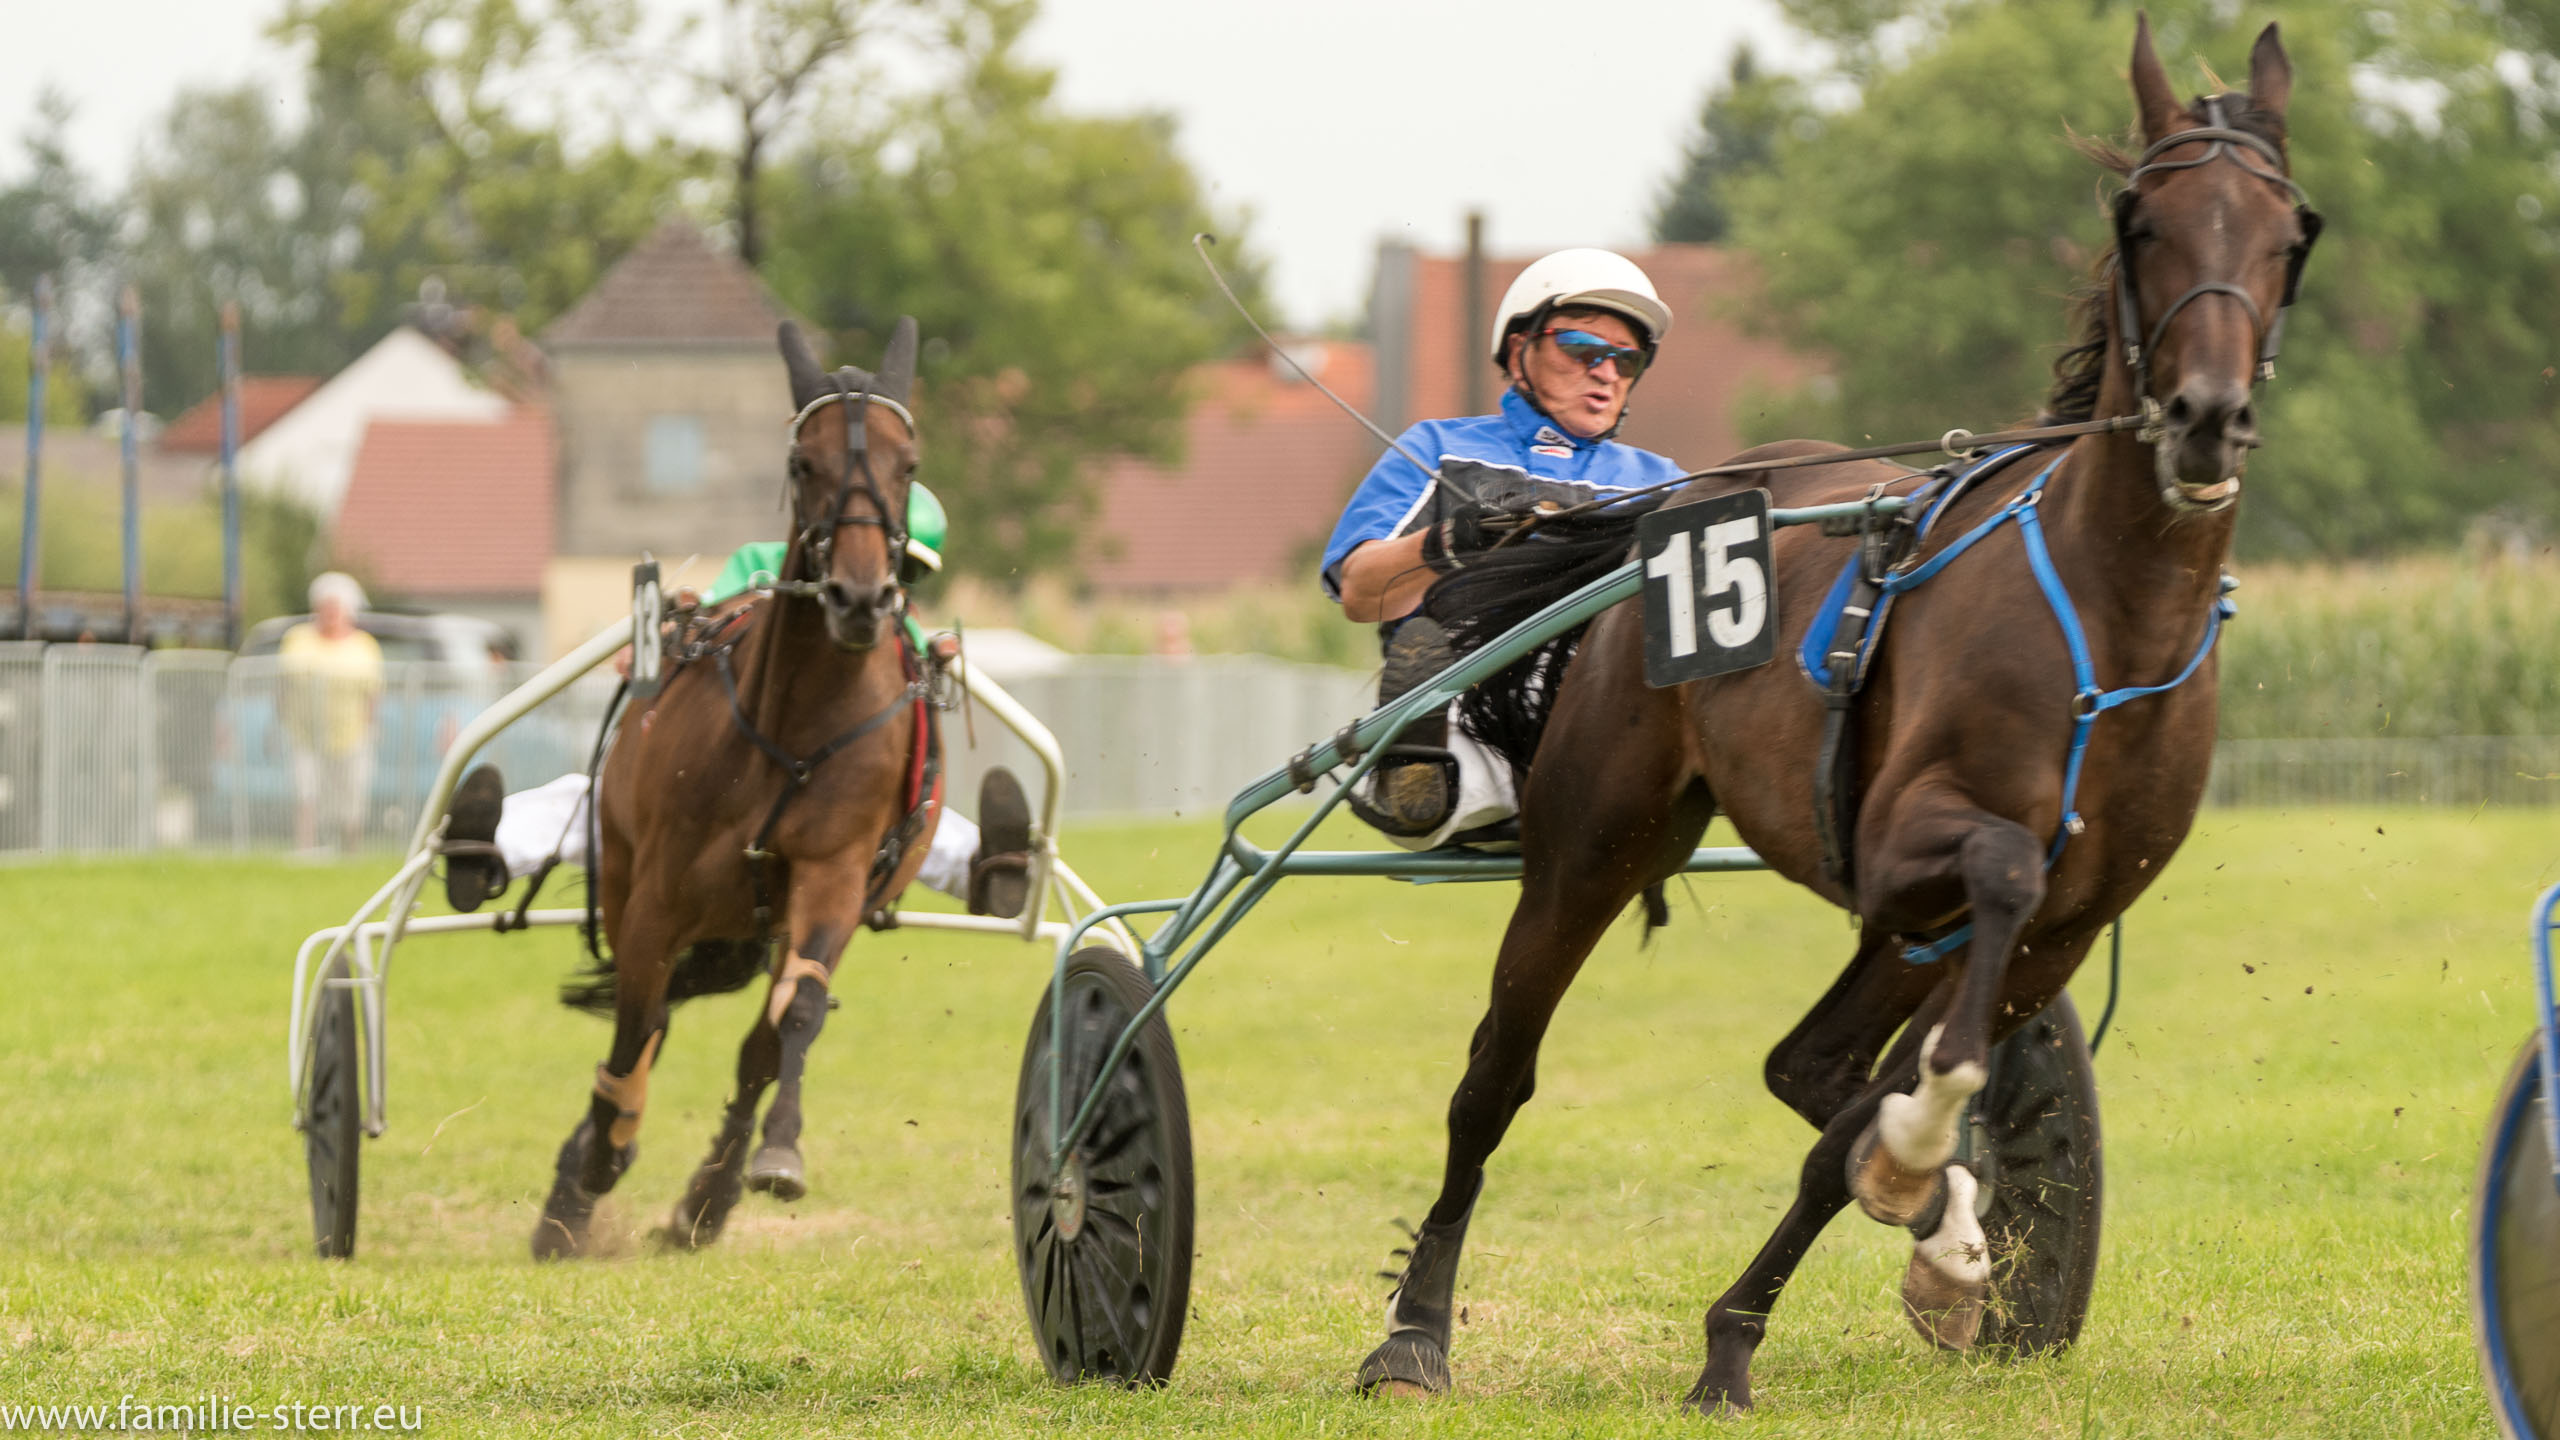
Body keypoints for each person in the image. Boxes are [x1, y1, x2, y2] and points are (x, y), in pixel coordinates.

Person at [439, 481, 1036, 919]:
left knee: (904, 819)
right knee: (606, 803)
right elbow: (708, 625)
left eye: (908, 573)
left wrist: (931, 654)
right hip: (723, 778)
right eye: (892, 563)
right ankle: (486, 849)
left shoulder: (894, 625)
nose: (886, 582)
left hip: (806, 800)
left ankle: (987, 868)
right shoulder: (761, 569)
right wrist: (662, 640)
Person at [1319, 249, 1685, 849]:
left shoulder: (1665, 483)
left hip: (1610, 706)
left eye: (1627, 359)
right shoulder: (1435, 450)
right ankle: (1425, 771)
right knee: (1467, 723)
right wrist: (1449, 542)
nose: (1606, 373)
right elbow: (1361, 594)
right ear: (1519, 352)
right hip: (1471, 689)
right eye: (1582, 349)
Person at [279, 572, 386, 854]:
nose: (330, 614)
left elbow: (373, 693)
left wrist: (371, 725)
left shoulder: (364, 645)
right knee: (307, 793)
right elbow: (283, 684)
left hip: (351, 735)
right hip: (305, 734)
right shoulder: (298, 638)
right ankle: (306, 848)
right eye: (325, 607)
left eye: (336, 607)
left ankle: (349, 852)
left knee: (351, 795)